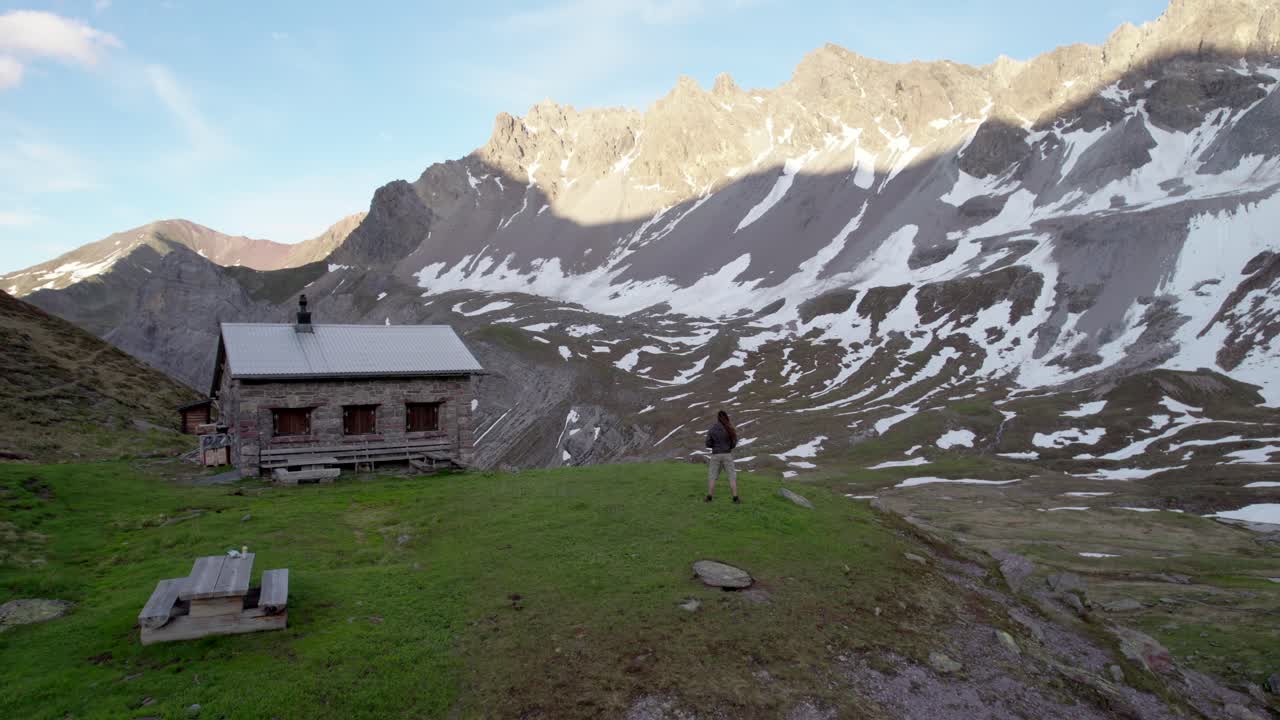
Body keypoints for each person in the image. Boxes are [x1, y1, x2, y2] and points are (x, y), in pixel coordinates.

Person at [704, 409, 739, 503]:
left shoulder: (712, 429)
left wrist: (715, 446)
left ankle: (709, 497)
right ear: (726, 417)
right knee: (732, 476)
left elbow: (707, 443)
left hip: (715, 455)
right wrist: (729, 447)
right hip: (727, 454)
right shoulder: (729, 428)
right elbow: (734, 442)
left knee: (712, 476)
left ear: (718, 418)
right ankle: (735, 498)